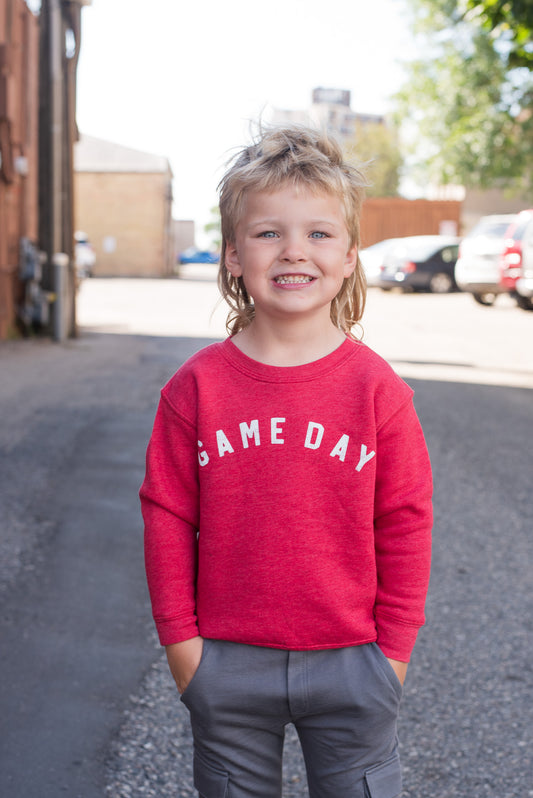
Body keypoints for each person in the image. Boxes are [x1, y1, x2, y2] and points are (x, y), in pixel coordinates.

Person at [140, 125, 433, 798]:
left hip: (353, 662)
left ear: (351, 255)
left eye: (319, 234)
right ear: (234, 254)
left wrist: (391, 653)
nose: (294, 251)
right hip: (225, 662)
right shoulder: (195, 389)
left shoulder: (376, 390)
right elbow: (164, 518)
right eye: (269, 232)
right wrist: (183, 649)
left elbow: (406, 521)